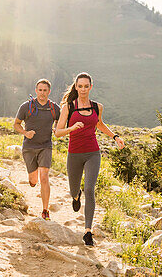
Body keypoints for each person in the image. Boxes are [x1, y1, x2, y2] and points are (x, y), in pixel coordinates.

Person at [53, 72, 124, 246]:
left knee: (90, 189)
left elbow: (99, 124)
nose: (83, 89)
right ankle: (76, 196)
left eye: (86, 86)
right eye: (80, 86)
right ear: (76, 87)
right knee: (74, 189)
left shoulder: (96, 106)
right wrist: (72, 128)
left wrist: (115, 137)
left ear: (91, 87)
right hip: (74, 154)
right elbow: (57, 133)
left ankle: (87, 231)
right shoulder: (68, 107)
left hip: (93, 152)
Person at [13, 78, 60, 220]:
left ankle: (45, 210)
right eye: (40, 90)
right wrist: (26, 133)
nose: (42, 93)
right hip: (29, 147)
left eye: (45, 90)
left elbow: (61, 119)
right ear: (36, 91)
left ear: (49, 91)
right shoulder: (26, 106)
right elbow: (16, 124)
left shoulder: (54, 108)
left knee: (44, 177)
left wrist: (56, 127)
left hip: (46, 146)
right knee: (33, 179)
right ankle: (32, 181)